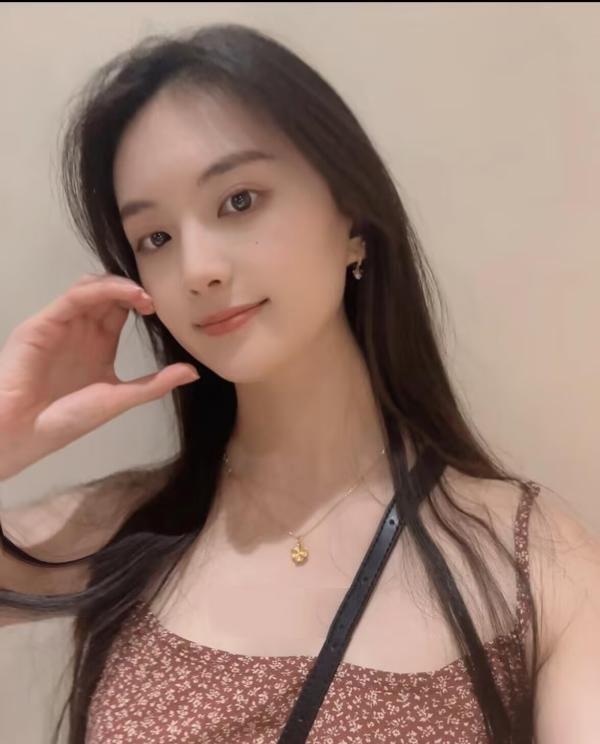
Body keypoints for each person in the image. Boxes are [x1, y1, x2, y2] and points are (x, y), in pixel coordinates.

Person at [0, 22, 598, 744]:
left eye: (239, 200)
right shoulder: (125, 528)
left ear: (353, 219)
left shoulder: (533, 559)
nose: (197, 269)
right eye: (155, 238)